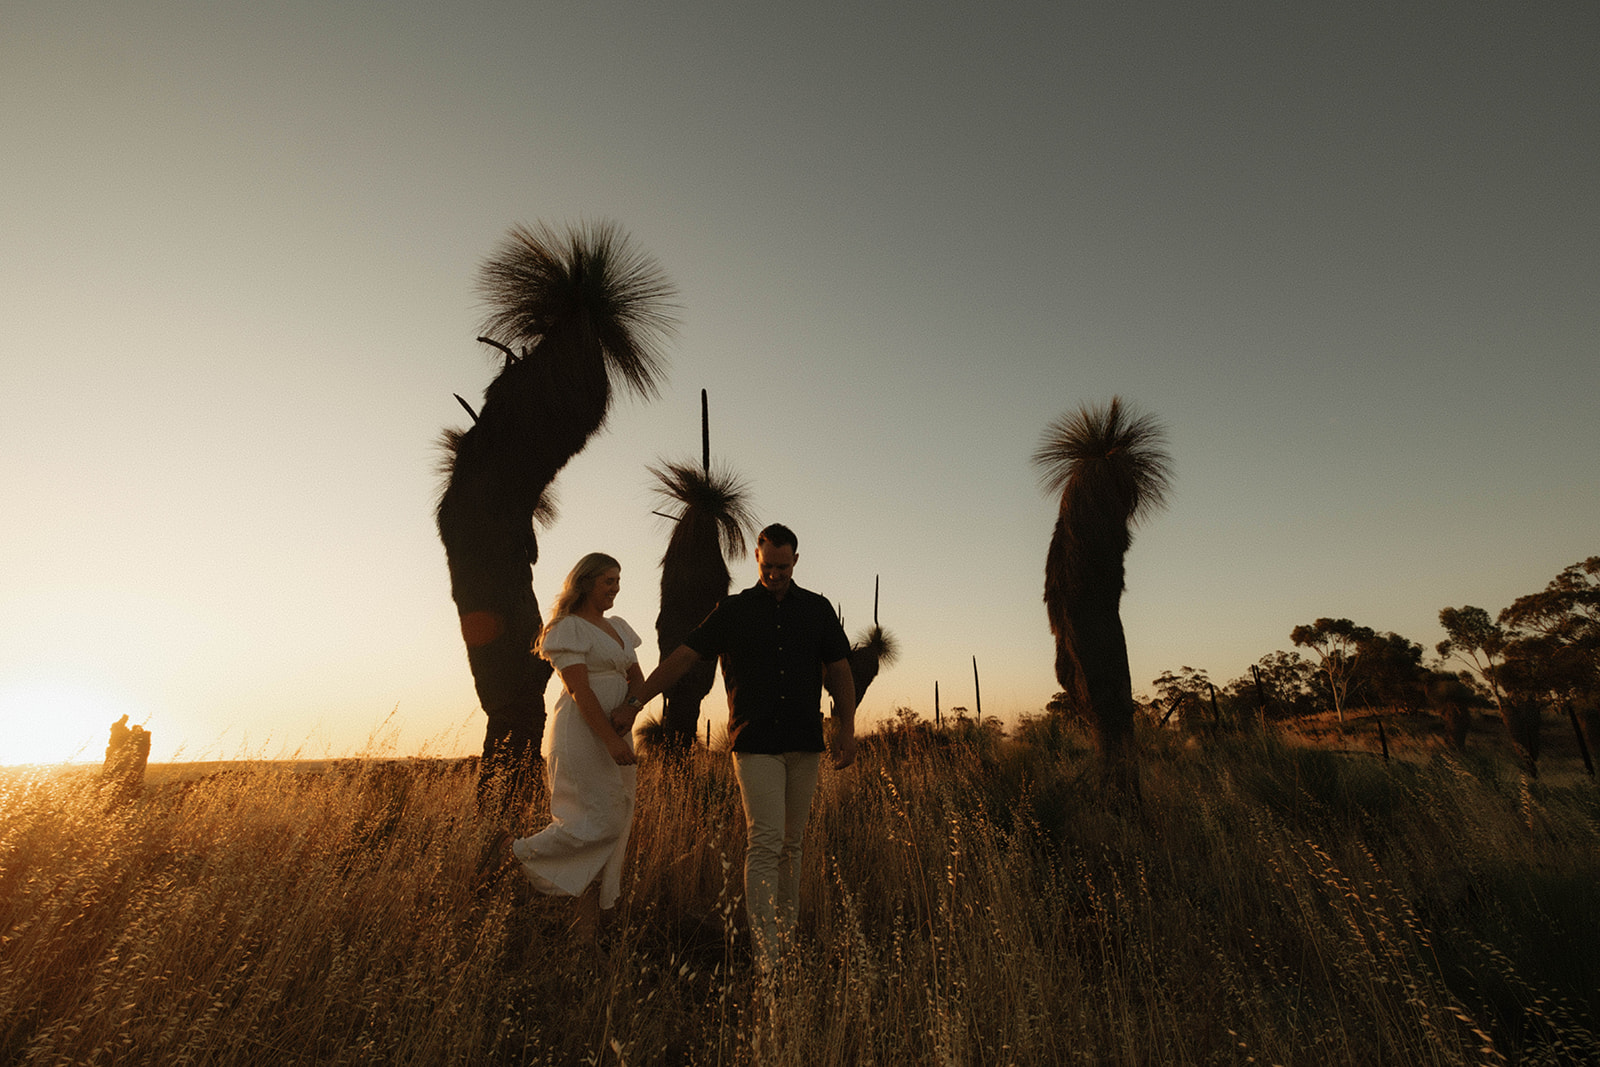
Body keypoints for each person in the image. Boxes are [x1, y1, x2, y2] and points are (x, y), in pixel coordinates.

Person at [628, 523, 858, 970]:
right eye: (768, 566)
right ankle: (767, 955)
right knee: (766, 840)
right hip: (755, 744)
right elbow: (684, 656)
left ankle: (785, 940)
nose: (775, 574)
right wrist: (638, 700)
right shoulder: (732, 611)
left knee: (793, 844)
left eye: (784, 567)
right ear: (757, 558)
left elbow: (841, 671)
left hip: (805, 743)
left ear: (795, 562)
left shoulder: (816, 609)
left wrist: (846, 728)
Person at [511, 552, 644, 942]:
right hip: (583, 735)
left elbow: (637, 679)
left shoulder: (618, 627)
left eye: (618, 581)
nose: (615, 588)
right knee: (591, 821)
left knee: (618, 818)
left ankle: (589, 933)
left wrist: (630, 712)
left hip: (619, 729)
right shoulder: (567, 627)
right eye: (608, 581)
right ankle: (517, 852)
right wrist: (609, 739)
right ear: (586, 583)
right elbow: (579, 689)